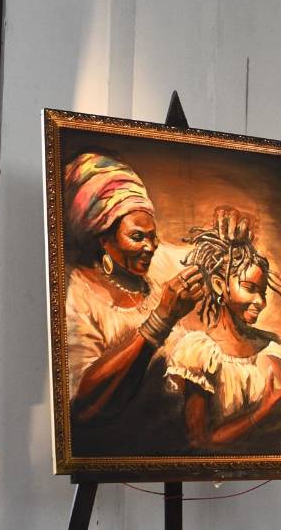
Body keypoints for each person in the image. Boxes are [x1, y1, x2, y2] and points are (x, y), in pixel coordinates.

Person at [61, 153, 205, 426]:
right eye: (137, 237)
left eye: (153, 237)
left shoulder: (153, 267)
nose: (150, 247)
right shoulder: (78, 295)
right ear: (104, 238)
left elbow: (202, 259)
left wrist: (229, 240)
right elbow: (82, 404)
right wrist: (161, 318)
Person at [165, 207, 281, 451]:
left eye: (263, 292)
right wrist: (264, 412)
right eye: (250, 288)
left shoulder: (269, 346)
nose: (261, 302)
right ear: (218, 285)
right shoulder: (198, 352)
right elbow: (199, 440)